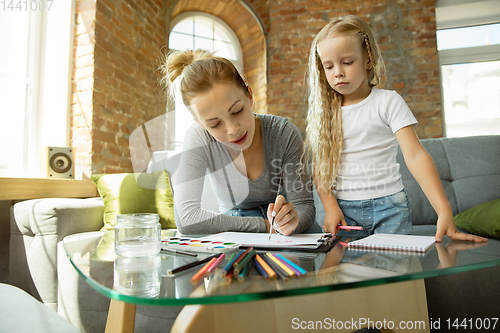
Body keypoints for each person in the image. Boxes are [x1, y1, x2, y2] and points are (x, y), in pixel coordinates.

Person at [305, 15, 486, 243]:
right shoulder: (325, 114)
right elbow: (320, 166)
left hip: (390, 208)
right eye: (329, 66)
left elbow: (416, 155)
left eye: (347, 62)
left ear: (368, 60)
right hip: (344, 213)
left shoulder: (388, 102)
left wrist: (443, 210)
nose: (337, 72)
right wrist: (330, 207)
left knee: (398, 276)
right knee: (350, 276)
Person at [160, 49, 316, 235]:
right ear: (200, 124)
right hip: (236, 228)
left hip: (282, 232)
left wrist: (293, 222)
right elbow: (186, 219)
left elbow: (304, 205)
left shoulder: (283, 132)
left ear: (250, 96)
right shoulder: (198, 137)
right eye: (215, 124)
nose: (233, 129)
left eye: (237, 111)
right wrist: (265, 226)